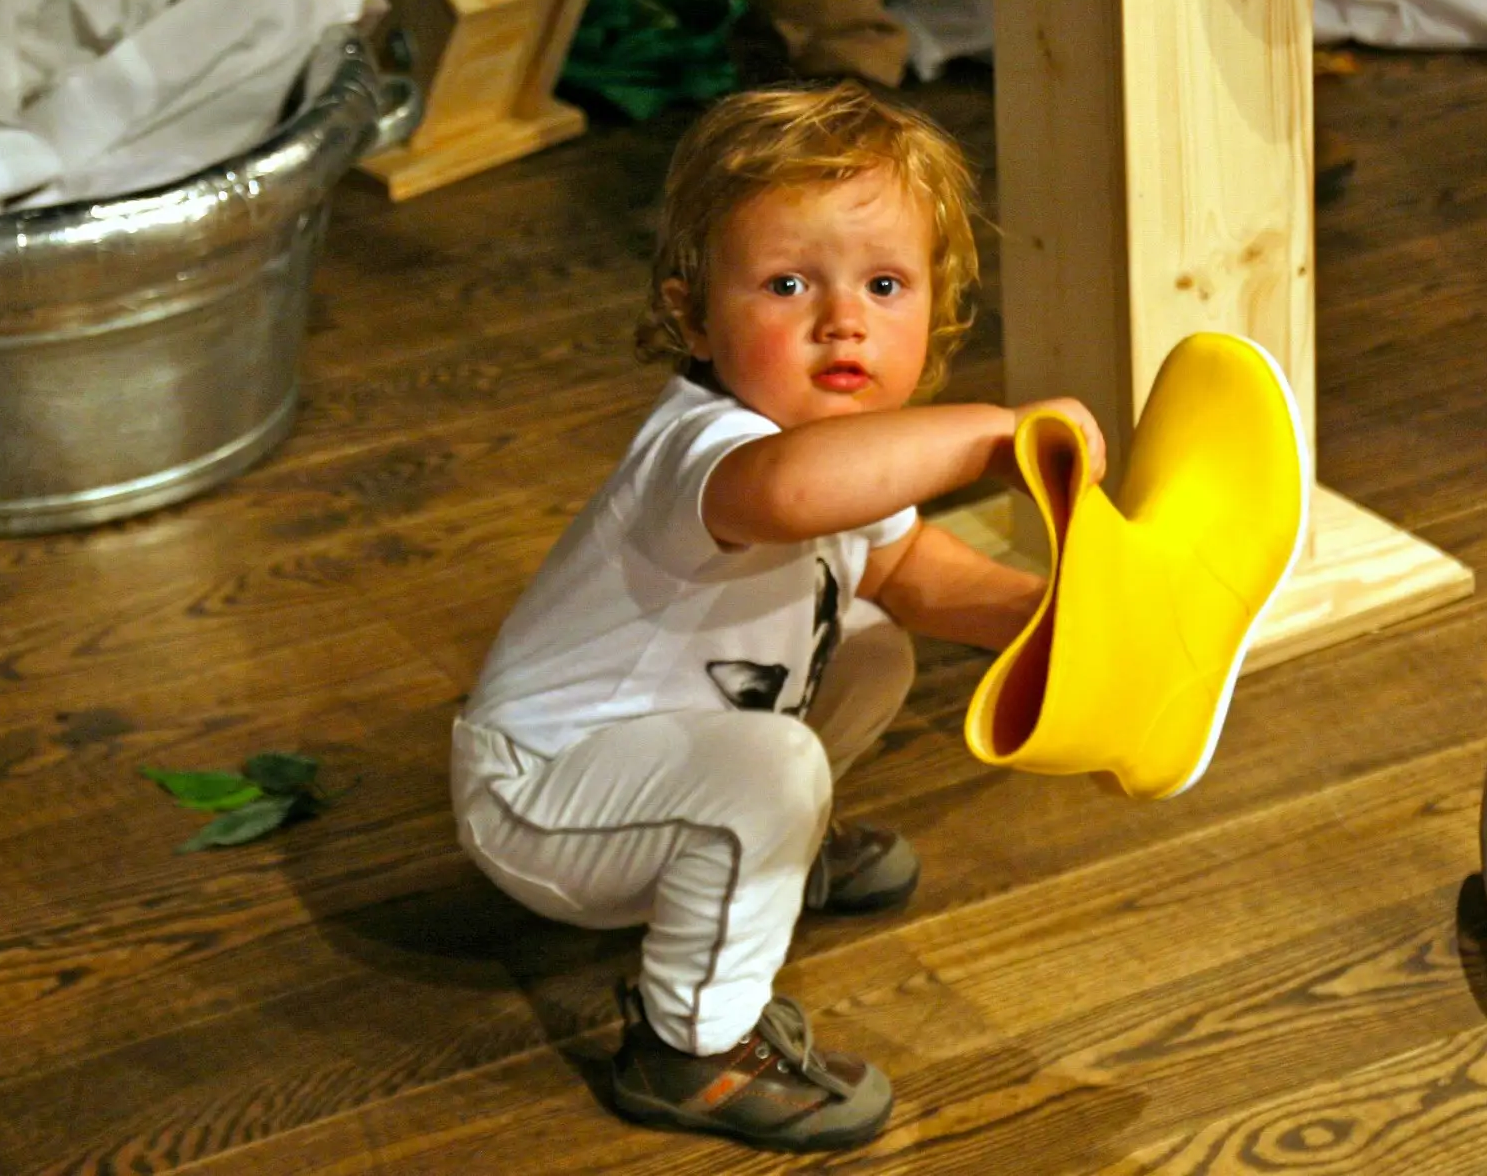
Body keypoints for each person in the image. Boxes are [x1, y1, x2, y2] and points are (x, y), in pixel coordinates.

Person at [448, 81, 1105, 1151]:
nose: (842, 318)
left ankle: (764, 853)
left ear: (934, 311)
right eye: (788, 283)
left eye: (884, 283)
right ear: (693, 313)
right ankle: (688, 1046)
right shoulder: (706, 450)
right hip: (541, 796)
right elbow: (793, 491)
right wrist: (996, 431)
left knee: (873, 645)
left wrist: (1067, 617)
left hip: (649, 760)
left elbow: (909, 571)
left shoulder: (841, 446)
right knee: (769, 771)